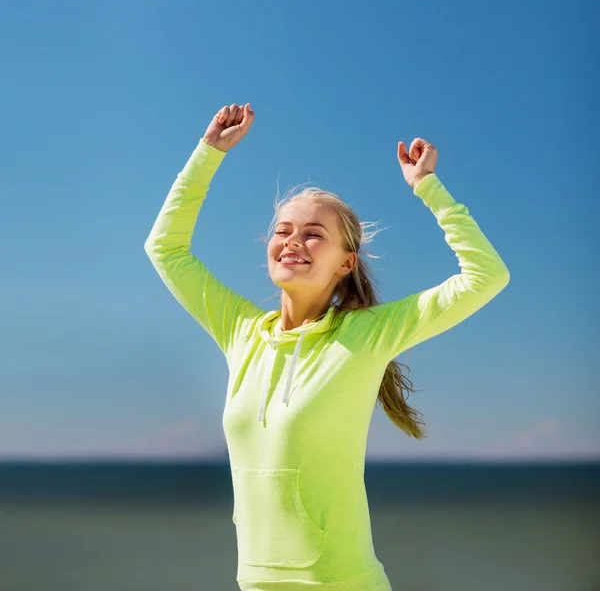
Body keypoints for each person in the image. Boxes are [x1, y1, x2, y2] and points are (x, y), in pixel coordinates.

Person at [144, 103, 510, 590]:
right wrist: (208, 152)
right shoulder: (241, 332)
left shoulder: (366, 334)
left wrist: (429, 188)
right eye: (283, 231)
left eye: (314, 235)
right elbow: (164, 248)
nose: (293, 241)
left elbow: (486, 276)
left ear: (345, 263)